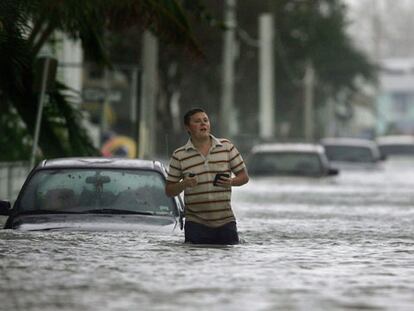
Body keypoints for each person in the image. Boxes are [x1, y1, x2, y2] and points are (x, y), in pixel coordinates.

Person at [165, 108, 249, 245]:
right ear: (188, 127)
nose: (203, 124)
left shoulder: (226, 147)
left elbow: (244, 177)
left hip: (225, 221)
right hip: (196, 224)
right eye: (197, 121)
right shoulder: (179, 155)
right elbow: (169, 191)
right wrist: (184, 184)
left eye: (205, 120)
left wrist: (231, 182)